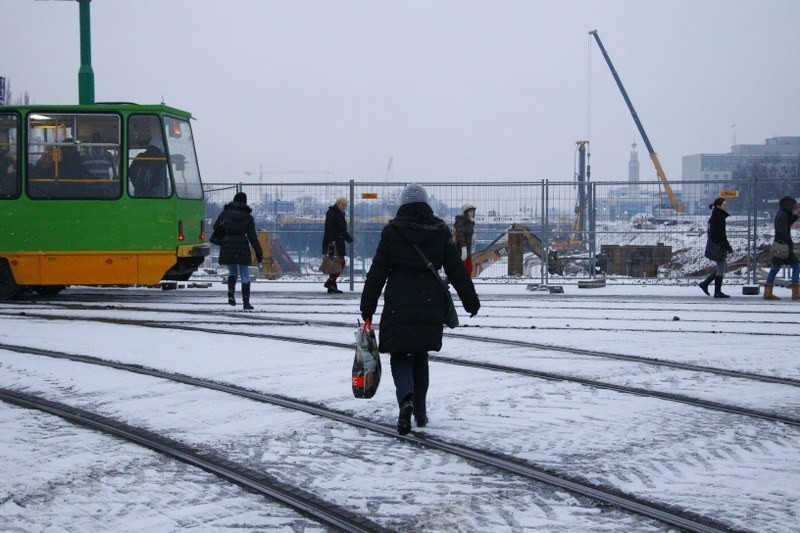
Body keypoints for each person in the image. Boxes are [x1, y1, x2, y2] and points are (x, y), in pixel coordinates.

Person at [360, 183, 480, 435]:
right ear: (426, 204)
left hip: (399, 303)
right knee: (420, 356)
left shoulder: (392, 231)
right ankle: (421, 411)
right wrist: (470, 300)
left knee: (400, 355)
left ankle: (406, 401)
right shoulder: (439, 231)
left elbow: (377, 272)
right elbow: (455, 269)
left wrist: (367, 307)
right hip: (429, 303)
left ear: (403, 204)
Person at [213, 192, 263, 310]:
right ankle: (246, 302)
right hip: (242, 246)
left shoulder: (225, 213)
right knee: (245, 275)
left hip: (227, 245)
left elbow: (215, 226)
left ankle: (231, 293)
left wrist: (225, 232)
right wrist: (259, 253)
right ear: (245, 202)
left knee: (233, 273)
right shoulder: (248, 217)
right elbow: (253, 237)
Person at [763, 195, 799, 301]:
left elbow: (786, 225)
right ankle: (796, 292)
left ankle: (768, 292)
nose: (794, 207)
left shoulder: (783, 213)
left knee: (775, 267)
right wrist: (788, 241)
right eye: (793, 205)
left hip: (779, 245)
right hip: (783, 246)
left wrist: (795, 217)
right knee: (796, 266)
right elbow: (781, 230)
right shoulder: (783, 214)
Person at [698, 197, 734, 298]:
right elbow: (720, 234)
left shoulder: (716, 216)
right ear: (719, 206)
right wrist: (727, 246)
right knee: (722, 268)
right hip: (718, 245)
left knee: (722, 267)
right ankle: (717, 291)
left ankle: (705, 283)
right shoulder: (719, 217)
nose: (726, 207)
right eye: (724, 205)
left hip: (717, 244)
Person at [322, 196, 353, 294]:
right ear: (338, 203)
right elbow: (328, 228)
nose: (344, 207)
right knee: (339, 262)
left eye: (345, 205)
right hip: (333, 243)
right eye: (342, 204)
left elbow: (341, 230)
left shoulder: (340, 214)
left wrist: (348, 239)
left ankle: (332, 285)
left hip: (338, 242)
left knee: (335, 264)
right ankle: (330, 282)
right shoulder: (332, 213)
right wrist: (331, 240)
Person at [453, 203, 477, 277]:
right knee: (463, 267)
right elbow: (461, 235)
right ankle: (451, 280)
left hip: (467, 248)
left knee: (469, 268)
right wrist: (463, 248)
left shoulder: (470, 222)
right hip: (461, 248)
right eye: (471, 211)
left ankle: (464, 281)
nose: (473, 213)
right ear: (466, 213)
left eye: (473, 211)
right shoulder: (462, 221)